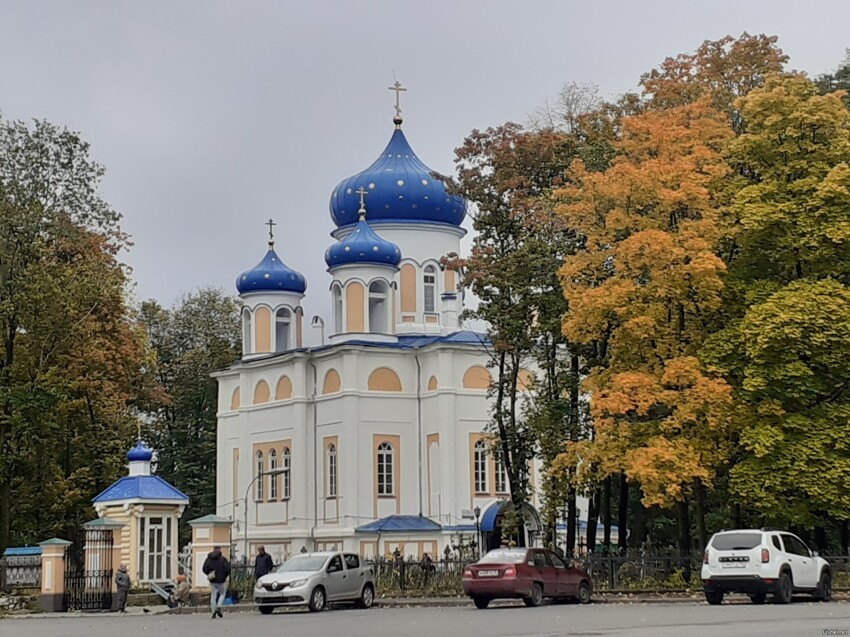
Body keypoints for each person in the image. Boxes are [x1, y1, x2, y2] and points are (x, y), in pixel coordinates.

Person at [202, 546, 231, 619]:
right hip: (221, 580)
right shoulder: (223, 559)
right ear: (219, 550)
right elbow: (228, 569)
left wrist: (209, 573)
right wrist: (224, 576)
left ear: (214, 550)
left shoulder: (208, 559)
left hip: (212, 580)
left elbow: (204, 568)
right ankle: (218, 607)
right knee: (222, 593)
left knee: (213, 595)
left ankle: (213, 612)